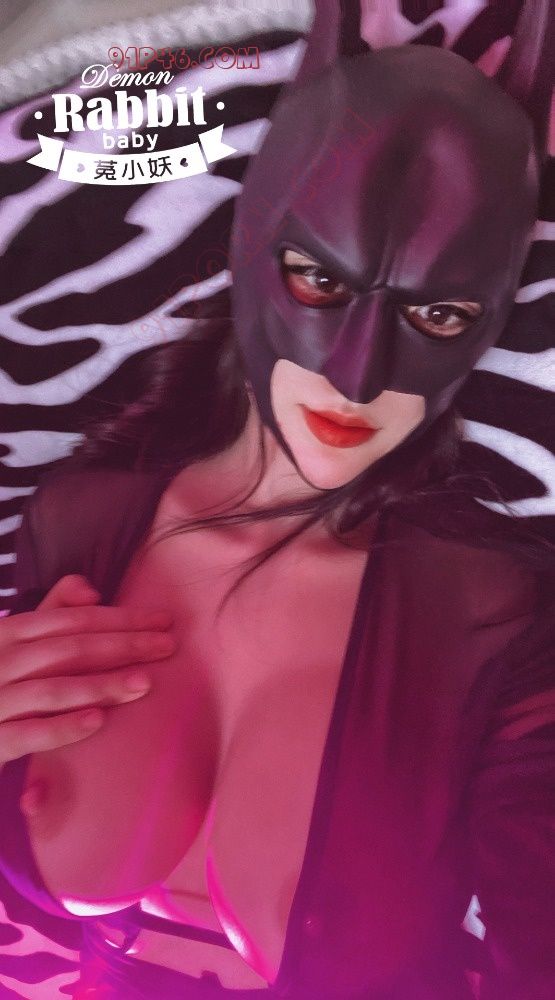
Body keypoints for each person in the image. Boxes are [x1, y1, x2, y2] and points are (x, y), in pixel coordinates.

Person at [0, 1, 553, 997]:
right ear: (252, 248)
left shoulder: (495, 616)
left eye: (435, 312)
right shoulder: (75, 520)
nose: (355, 374)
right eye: (318, 281)